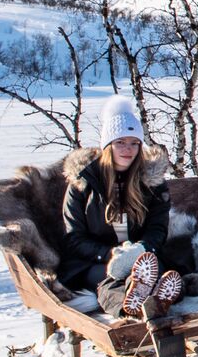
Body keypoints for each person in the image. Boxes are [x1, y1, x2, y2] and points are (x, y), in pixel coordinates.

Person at [60, 96, 184, 319]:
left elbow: (158, 227)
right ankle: (133, 304)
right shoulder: (83, 184)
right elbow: (74, 239)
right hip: (96, 262)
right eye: (121, 142)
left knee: (156, 273)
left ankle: (154, 296)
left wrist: (140, 249)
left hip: (143, 257)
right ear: (108, 145)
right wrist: (112, 254)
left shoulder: (150, 182)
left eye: (134, 143)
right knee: (112, 280)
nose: (128, 149)